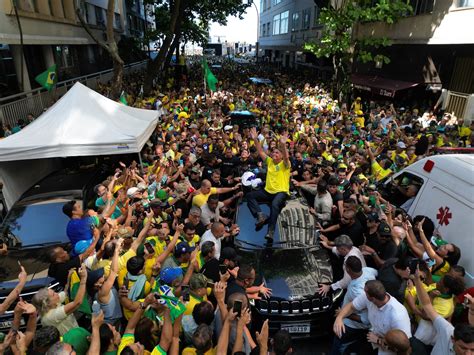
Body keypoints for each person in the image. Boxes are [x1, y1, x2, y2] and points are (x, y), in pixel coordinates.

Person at [334, 280, 412, 354]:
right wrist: (339, 318)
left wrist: (378, 340)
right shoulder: (369, 297)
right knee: (348, 351)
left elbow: (404, 348)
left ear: (372, 298)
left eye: (365, 292)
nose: (363, 293)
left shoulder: (398, 315)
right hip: (373, 337)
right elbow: (351, 306)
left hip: (388, 350)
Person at [413, 268, 474, 355]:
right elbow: (427, 305)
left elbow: (425, 314)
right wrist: (416, 279)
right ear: (453, 340)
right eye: (463, 347)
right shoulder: (447, 332)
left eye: (473, 350)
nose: (468, 354)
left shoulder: (445, 307)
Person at [247, 127, 291, 241]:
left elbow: (286, 157)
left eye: (277, 152)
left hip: (281, 192)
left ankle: (271, 230)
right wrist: (255, 139)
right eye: (274, 152)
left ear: (281, 156)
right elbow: (261, 151)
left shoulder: (285, 164)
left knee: (275, 205)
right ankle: (260, 215)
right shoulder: (269, 161)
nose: (274, 153)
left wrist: (283, 145)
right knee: (250, 196)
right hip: (268, 191)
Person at [330, 256, 378, 355]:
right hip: (350, 319)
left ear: (348, 270)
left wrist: (344, 314)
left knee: (339, 342)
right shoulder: (367, 270)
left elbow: (365, 319)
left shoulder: (359, 292)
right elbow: (376, 272)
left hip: (352, 325)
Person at [32, 264, 88, 335]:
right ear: (47, 303)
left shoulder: (54, 303)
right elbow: (77, 303)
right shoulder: (50, 316)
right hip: (71, 342)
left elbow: (64, 293)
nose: (56, 294)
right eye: (53, 294)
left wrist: (68, 279)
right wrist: (83, 279)